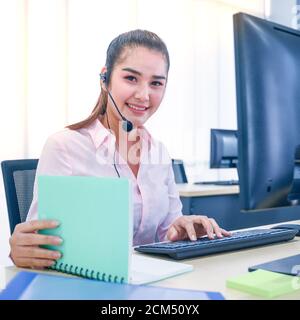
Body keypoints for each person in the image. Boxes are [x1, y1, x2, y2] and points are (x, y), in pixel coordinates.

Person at [9, 30, 231, 269]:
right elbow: (38, 244)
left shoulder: (159, 152)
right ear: (105, 79)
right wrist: (22, 249)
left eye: (156, 83)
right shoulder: (65, 147)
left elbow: (167, 229)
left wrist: (181, 228)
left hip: (153, 284)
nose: (144, 95)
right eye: (131, 78)